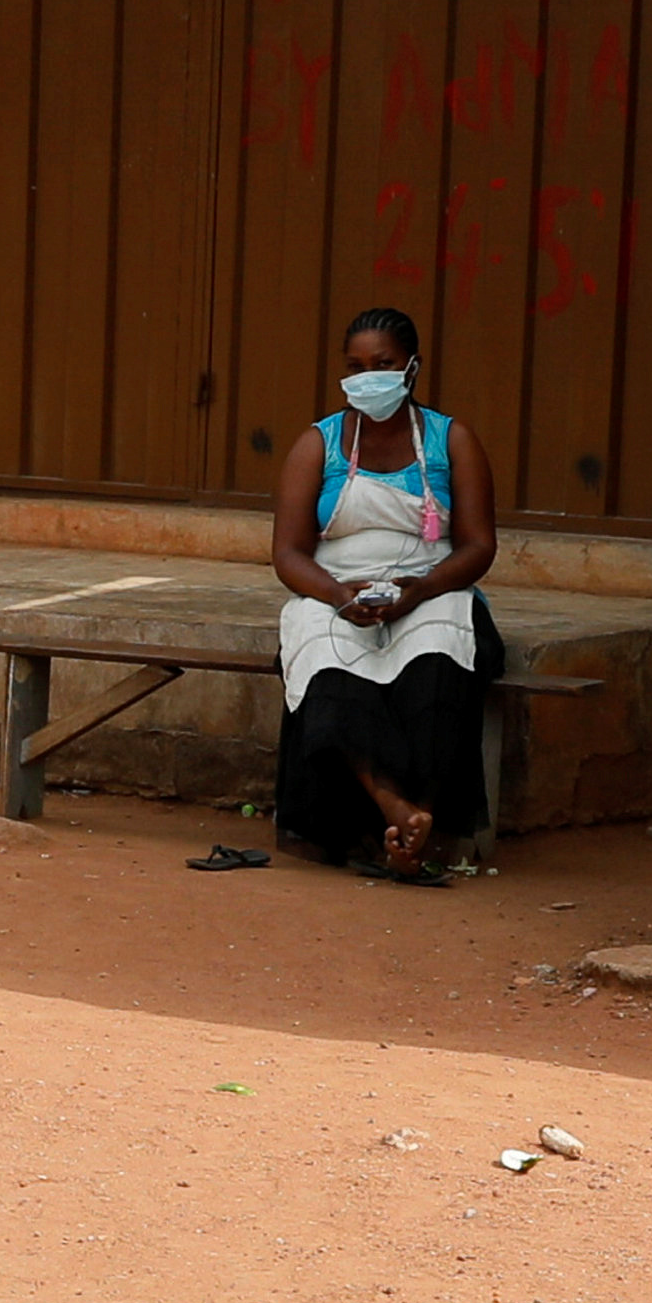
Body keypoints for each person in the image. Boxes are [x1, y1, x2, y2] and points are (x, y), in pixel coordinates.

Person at [269, 305, 497, 881]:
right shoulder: (316, 445)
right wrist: (337, 594)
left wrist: (419, 591)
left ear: (412, 367)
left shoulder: (453, 440)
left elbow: (477, 546)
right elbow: (289, 554)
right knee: (321, 656)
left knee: (440, 658)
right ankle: (394, 807)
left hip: (430, 584)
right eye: (355, 366)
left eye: (384, 364)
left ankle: (419, 812)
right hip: (336, 589)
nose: (367, 377)